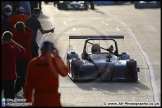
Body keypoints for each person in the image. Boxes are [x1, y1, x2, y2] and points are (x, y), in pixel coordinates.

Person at [24, 41, 69, 107]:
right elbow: (65, 73)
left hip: (38, 97)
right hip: (52, 97)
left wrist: (28, 100)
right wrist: (57, 57)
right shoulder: (54, 61)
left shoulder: (32, 63)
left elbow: (28, 85)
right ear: (52, 50)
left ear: (41, 49)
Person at [1, 31, 26, 100]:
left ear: (2, 38)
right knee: (9, 98)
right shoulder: (13, 49)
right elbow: (23, 50)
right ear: (10, 39)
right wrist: (13, 41)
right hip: (10, 77)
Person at [12, 21, 34, 96]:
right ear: (23, 28)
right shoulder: (27, 35)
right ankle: (24, 89)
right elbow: (32, 32)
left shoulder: (14, 36)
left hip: (19, 58)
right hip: (28, 57)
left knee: (20, 75)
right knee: (26, 75)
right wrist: (25, 27)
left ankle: (17, 89)